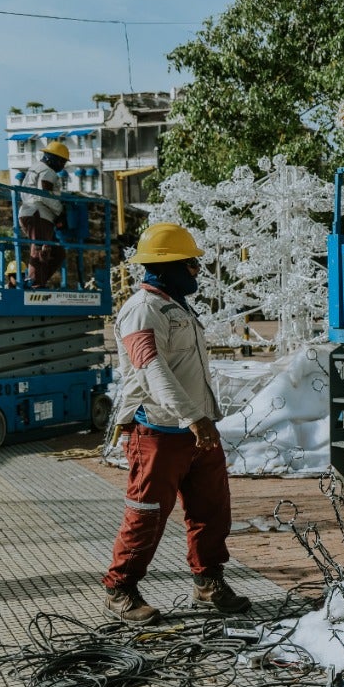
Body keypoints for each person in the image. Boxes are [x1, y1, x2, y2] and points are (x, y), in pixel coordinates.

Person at [102, 222, 250, 625]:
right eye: (191, 266)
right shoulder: (142, 310)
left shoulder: (176, 306)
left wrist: (203, 419)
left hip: (196, 429)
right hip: (159, 431)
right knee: (146, 513)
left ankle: (208, 582)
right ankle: (120, 589)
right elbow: (152, 369)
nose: (196, 273)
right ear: (167, 267)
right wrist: (194, 418)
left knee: (211, 509)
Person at [18, 141, 69, 288]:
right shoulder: (47, 171)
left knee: (57, 253)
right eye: (62, 161)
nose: (63, 166)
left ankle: (39, 281)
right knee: (40, 249)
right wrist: (60, 211)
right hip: (38, 214)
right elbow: (44, 195)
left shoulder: (36, 168)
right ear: (52, 158)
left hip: (37, 214)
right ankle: (35, 284)